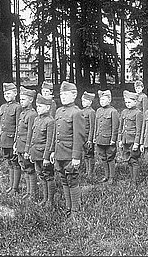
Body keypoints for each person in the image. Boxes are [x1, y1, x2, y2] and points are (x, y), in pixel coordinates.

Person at [45, 81, 85, 218]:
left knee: (72, 180)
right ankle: (68, 207)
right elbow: (55, 133)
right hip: (59, 153)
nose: (62, 97)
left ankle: (75, 210)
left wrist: (76, 157)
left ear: (74, 95)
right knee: (63, 179)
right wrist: (52, 151)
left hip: (70, 153)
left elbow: (79, 137)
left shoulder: (77, 113)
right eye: (61, 94)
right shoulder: (58, 111)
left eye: (66, 94)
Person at [28, 93, 55, 207]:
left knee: (48, 176)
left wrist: (46, 157)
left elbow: (50, 141)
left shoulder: (50, 121)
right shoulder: (36, 119)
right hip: (36, 153)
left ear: (47, 107)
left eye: (40, 106)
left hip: (44, 155)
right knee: (41, 176)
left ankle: (50, 201)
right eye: (37, 106)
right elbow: (33, 138)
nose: (38, 108)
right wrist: (30, 152)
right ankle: (44, 198)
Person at [0, 82, 22, 194]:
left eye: (9, 93)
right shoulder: (2, 107)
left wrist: (16, 142)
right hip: (4, 140)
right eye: (5, 93)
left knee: (15, 163)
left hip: (12, 140)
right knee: (9, 163)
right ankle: (11, 186)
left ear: (15, 93)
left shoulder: (18, 107)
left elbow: (18, 126)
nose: (6, 95)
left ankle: (15, 188)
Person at [14, 86, 38, 200]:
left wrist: (28, 149)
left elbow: (30, 134)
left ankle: (32, 193)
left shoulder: (32, 114)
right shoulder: (23, 113)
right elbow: (18, 130)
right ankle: (28, 192)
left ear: (31, 100)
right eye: (20, 99)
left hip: (26, 147)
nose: (21, 101)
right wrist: (15, 143)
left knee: (29, 169)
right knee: (24, 168)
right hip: (20, 145)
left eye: (23, 99)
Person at [94, 89, 119, 185]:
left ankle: (112, 177)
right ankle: (106, 175)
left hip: (109, 140)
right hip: (100, 139)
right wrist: (95, 137)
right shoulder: (98, 111)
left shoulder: (113, 111)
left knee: (110, 157)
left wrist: (113, 139)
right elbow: (97, 125)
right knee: (103, 158)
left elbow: (115, 127)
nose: (102, 102)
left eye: (104, 100)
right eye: (101, 100)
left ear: (109, 100)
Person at [118, 90, 143, 186]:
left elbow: (139, 130)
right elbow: (121, 127)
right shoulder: (124, 112)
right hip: (125, 140)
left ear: (135, 102)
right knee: (128, 159)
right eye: (126, 102)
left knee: (134, 160)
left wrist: (137, 143)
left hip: (133, 140)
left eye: (129, 102)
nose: (127, 104)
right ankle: (131, 177)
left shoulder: (138, 113)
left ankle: (134, 180)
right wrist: (120, 140)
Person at [81, 91, 96, 181]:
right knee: (85, 155)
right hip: (83, 136)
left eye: (85, 101)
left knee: (90, 155)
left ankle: (91, 172)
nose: (83, 103)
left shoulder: (91, 112)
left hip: (88, 137)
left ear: (90, 102)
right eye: (82, 101)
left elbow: (92, 126)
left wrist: (90, 139)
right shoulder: (82, 111)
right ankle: (87, 170)